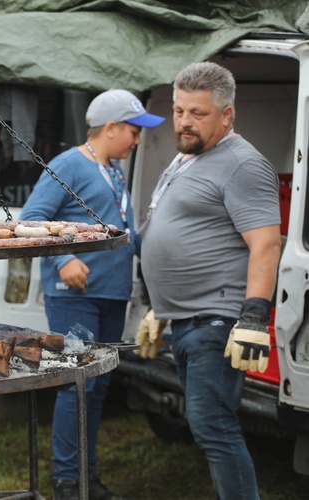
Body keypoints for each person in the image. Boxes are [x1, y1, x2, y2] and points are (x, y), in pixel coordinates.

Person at [137, 61, 282, 500]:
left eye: (197, 113)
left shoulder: (242, 164)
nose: (183, 122)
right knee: (208, 427)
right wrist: (160, 308)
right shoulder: (189, 157)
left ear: (227, 115)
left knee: (213, 427)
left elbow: (266, 245)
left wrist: (254, 317)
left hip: (217, 322)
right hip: (188, 319)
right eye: (179, 111)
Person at [21, 89, 164, 500]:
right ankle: (67, 481)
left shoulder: (115, 171)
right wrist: (63, 257)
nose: (138, 140)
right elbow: (32, 217)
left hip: (112, 294)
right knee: (77, 384)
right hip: (74, 296)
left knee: (99, 386)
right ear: (112, 128)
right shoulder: (69, 164)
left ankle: (87, 476)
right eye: (134, 131)